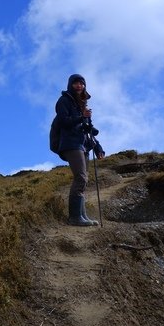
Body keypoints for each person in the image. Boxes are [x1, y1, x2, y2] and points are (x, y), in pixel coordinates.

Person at [55, 74, 101, 226]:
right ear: (70, 85)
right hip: (70, 144)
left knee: (83, 179)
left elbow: (86, 130)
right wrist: (82, 117)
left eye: (82, 83)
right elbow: (64, 122)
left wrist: (97, 146)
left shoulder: (83, 105)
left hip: (83, 145)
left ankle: (82, 216)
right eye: (75, 83)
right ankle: (75, 217)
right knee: (81, 177)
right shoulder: (64, 101)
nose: (79, 85)